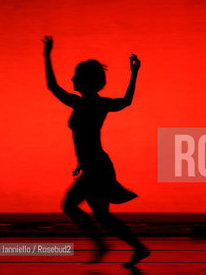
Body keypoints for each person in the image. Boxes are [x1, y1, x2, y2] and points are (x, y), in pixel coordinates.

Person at [43, 36, 150, 267]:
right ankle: (137, 248)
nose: (71, 78)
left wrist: (47, 55)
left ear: (83, 80)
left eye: (75, 75)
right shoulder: (95, 104)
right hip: (95, 164)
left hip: (96, 167)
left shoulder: (84, 104)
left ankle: (102, 244)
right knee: (101, 215)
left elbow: (53, 87)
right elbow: (125, 102)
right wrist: (134, 73)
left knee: (70, 205)